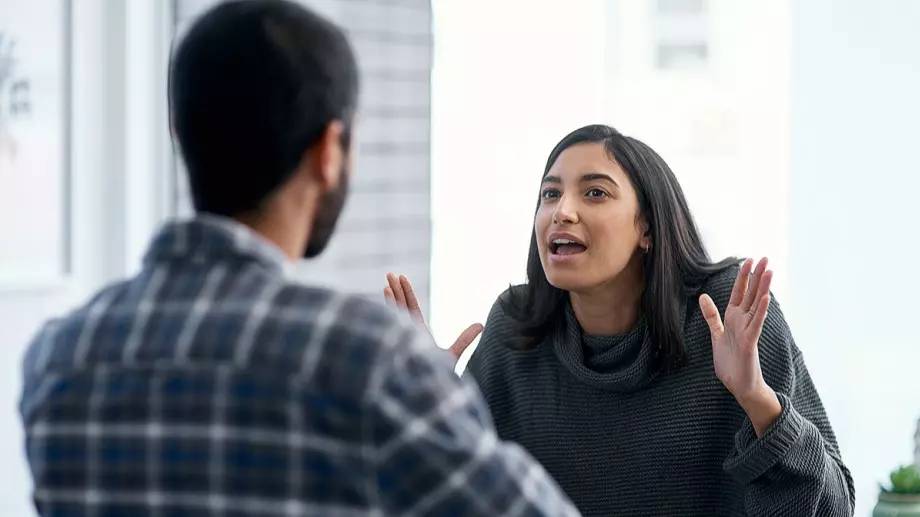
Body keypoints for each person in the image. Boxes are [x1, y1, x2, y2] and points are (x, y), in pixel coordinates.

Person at [17, 2, 581, 516]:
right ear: (328, 151)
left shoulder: (57, 357)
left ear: (180, 134)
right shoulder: (365, 357)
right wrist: (436, 391)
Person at [386, 124, 855, 516]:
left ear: (646, 227)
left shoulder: (727, 317)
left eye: (594, 192)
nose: (561, 211)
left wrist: (756, 400)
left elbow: (834, 508)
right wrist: (428, 411)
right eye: (550, 194)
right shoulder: (516, 328)